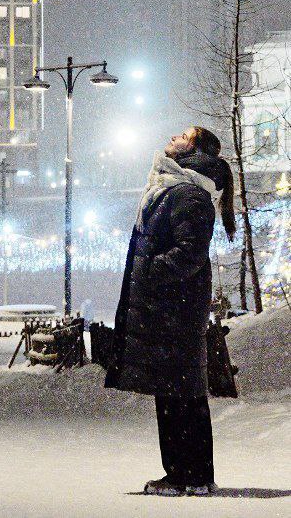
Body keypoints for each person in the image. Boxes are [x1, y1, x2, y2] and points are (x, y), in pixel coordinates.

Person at [105, 125, 236, 497]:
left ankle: (189, 476)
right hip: (169, 308)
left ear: (194, 150)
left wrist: (149, 269)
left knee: (181, 395)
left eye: (183, 135)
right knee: (176, 393)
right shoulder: (177, 189)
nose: (173, 137)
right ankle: (187, 473)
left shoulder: (190, 194)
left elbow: (190, 253)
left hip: (175, 311)